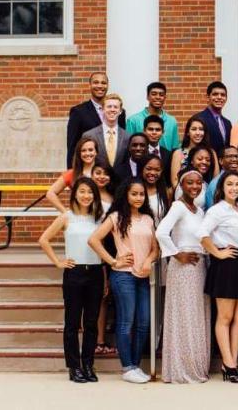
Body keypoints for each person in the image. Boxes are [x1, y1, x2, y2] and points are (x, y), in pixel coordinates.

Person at [87, 178, 158, 384]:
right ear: (126, 195)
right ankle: (127, 367)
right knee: (126, 321)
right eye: (134, 194)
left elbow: (155, 248)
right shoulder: (116, 217)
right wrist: (112, 262)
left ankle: (135, 366)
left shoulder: (147, 219)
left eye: (141, 194)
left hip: (144, 276)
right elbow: (93, 240)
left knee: (144, 322)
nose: (138, 197)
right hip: (123, 275)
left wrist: (148, 261)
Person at [38, 177, 104, 383]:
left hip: (95, 273)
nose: (86, 196)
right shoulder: (67, 217)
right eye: (82, 191)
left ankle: (88, 364)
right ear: (75, 193)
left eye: (90, 192)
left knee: (91, 323)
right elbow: (43, 239)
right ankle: (74, 367)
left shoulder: (99, 218)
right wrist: (58, 262)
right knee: (72, 322)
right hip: (74, 273)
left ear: (95, 196)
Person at [155, 169, 210, 384]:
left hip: (199, 267)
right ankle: (181, 368)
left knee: (196, 315)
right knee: (184, 317)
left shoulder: (198, 210)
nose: (194, 187)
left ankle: (196, 364)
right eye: (190, 183)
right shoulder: (178, 207)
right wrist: (177, 254)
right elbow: (161, 232)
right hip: (183, 268)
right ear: (181, 185)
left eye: (198, 183)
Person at [199, 170, 238, 383]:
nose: (234, 188)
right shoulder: (217, 210)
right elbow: (201, 234)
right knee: (226, 316)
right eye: (230, 184)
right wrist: (218, 252)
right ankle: (228, 364)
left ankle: (232, 361)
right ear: (222, 187)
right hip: (226, 264)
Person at [67, 72, 126, 168]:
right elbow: (72, 146)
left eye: (103, 83)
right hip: (89, 169)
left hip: (115, 171)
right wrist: (72, 173)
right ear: (89, 85)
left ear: (107, 85)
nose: (100, 86)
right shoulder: (78, 112)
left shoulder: (120, 112)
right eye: (96, 82)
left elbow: (122, 142)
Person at [89, 162, 116, 356]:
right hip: (88, 245)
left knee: (104, 297)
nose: (101, 177)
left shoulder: (113, 197)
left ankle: (100, 340)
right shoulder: (87, 195)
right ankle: (90, 339)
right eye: (97, 173)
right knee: (92, 295)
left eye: (105, 174)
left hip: (108, 246)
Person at [47, 137, 99, 213]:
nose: (87, 153)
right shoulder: (72, 174)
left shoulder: (103, 172)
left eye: (90, 150)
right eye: (83, 150)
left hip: (100, 217)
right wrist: (65, 213)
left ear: (96, 152)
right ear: (79, 153)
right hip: (79, 217)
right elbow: (50, 193)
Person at [125, 82, 180, 151]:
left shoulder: (172, 121)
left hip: (166, 161)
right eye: (154, 94)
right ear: (147, 97)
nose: (158, 97)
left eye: (161, 95)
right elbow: (128, 147)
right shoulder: (133, 120)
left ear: (165, 97)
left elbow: (175, 148)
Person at [82, 94, 129, 172]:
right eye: (109, 106)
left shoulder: (127, 136)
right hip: (97, 180)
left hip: (120, 182)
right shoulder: (89, 135)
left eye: (115, 107)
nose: (112, 109)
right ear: (102, 109)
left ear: (120, 111)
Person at [170, 115, 214, 188]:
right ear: (188, 132)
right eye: (194, 129)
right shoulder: (179, 153)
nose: (198, 133)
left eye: (201, 129)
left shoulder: (211, 152)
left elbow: (215, 180)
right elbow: (175, 182)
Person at [198, 81, 232, 156]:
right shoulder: (199, 119)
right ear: (208, 97)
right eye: (215, 94)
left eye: (223, 95)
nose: (219, 97)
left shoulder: (227, 123)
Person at [175, 145, 215, 209]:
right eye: (200, 159)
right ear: (192, 161)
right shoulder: (185, 182)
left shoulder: (206, 184)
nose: (204, 162)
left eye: (208, 160)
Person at [138, 154, 171, 222]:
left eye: (157, 170)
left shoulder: (166, 192)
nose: (153, 172)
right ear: (142, 169)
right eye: (148, 169)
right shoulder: (135, 190)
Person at [142, 115, 174, 185]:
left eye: (158, 130)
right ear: (144, 131)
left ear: (163, 132)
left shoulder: (168, 154)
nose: (154, 132)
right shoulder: (139, 152)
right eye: (150, 129)